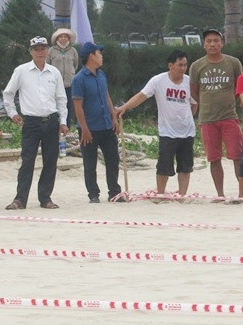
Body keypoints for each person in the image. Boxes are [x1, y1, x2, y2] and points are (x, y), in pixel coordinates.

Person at [117, 50, 196, 196]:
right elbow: (141, 96)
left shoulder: (189, 82)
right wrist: (125, 107)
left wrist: (187, 118)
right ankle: (160, 194)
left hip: (187, 131)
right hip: (167, 131)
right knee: (164, 165)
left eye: (185, 65)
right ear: (170, 65)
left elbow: (194, 104)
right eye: (180, 65)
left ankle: (183, 195)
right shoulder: (158, 80)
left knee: (185, 166)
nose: (183, 68)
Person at [2, 36, 69, 210]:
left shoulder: (54, 72)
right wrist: (13, 113)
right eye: (36, 49)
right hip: (31, 121)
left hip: (51, 120)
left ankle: (45, 198)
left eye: (43, 49)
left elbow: (61, 98)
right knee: (27, 160)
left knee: (50, 161)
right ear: (31, 51)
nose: (40, 52)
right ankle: (20, 199)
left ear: (47, 50)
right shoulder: (21, 70)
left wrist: (63, 121)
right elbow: (8, 93)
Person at [191, 29, 243, 198]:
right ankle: (220, 195)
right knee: (214, 158)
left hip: (230, 117)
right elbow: (194, 92)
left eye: (216, 40)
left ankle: (241, 193)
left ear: (222, 43)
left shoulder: (233, 62)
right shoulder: (196, 66)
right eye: (209, 41)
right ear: (204, 44)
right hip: (207, 119)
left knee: (237, 156)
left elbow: (239, 87)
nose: (212, 44)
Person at [72, 42, 124, 203]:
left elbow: (106, 96)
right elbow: (78, 106)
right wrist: (84, 128)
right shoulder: (79, 79)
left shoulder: (101, 75)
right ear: (91, 56)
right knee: (90, 163)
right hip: (90, 128)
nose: (102, 56)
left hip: (106, 126)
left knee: (113, 160)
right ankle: (93, 194)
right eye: (99, 53)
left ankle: (114, 191)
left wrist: (113, 116)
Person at [47, 28, 79, 128]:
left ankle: (67, 127)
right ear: (57, 38)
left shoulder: (73, 51)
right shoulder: (51, 51)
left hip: (69, 84)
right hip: (54, 84)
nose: (63, 38)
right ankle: (54, 127)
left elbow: (75, 64)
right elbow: (47, 64)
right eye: (61, 36)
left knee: (68, 106)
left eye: (65, 36)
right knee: (55, 106)